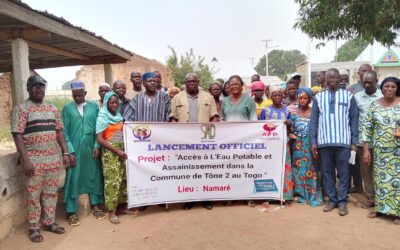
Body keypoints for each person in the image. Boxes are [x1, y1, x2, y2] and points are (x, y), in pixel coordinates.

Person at [11, 75, 72, 242]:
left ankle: (49, 222)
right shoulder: (21, 109)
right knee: (33, 195)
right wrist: (25, 160)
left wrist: (65, 153)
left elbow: (59, 131)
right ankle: (34, 227)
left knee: (51, 193)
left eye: (42, 86)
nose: (39, 89)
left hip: (53, 158)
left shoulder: (52, 108)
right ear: (29, 89)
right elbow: (17, 134)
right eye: (35, 86)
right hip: (34, 160)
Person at [311, 68, 358, 216]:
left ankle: (342, 201)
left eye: (334, 76)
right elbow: (314, 121)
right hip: (324, 142)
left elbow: (354, 120)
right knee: (327, 173)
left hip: (343, 142)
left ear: (339, 79)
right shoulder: (318, 98)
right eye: (329, 77)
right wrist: (313, 141)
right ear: (325, 79)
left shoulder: (349, 97)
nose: (332, 79)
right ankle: (332, 200)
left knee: (344, 173)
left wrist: (354, 142)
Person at [171, 73, 219, 210]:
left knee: (205, 169)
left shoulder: (208, 97)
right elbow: (173, 118)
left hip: (204, 140)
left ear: (198, 82)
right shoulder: (177, 97)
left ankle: (206, 199)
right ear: (185, 83)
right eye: (188, 81)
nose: (191, 83)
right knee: (188, 170)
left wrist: (211, 137)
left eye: (194, 81)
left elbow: (214, 118)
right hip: (185, 141)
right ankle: (189, 199)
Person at [62, 81, 105, 226]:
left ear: (85, 94)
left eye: (80, 95)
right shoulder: (67, 108)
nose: (77, 97)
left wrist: (97, 145)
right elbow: (64, 131)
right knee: (73, 177)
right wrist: (69, 151)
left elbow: (99, 127)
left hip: (91, 147)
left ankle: (95, 205)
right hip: (74, 148)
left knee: (93, 174)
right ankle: (71, 211)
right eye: (75, 95)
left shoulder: (94, 107)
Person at [361, 77, 400, 224]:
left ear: (397, 89)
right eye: (386, 86)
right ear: (381, 88)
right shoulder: (374, 105)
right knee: (381, 181)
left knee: (397, 182)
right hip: (380, 150)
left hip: (398, 151)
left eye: (393, 87)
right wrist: (366, 149)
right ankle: (381, 209)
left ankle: (398, 212)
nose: (389, 89)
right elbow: (367, 127)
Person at [96, 92, 128, 224]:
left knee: (122, 180)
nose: (114, 105)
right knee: (112, 183)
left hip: (122, 152)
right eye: (111, 102)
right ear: (106, 103)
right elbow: (100, 139)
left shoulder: (119, 117)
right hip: (110, 154)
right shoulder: (102, 118)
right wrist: (116, 151)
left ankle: (121, 208)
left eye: (116, 102)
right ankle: (111, 213)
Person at [290, 88, 323, 207]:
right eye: (300, 98)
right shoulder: (293, 113)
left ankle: (312, 194)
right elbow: (291, 129)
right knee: (298, 169)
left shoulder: (314, 112)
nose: (302, 100)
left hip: (310, 145)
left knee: (311, 169)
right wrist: (290, 133)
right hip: (297, 146)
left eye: (305, 98)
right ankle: (300, 195)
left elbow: (318, 129)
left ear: (309, 99)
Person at [260, 86, 293, 202]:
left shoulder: (287, 111)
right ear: (270, 97)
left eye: (279, 95)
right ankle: (267, 196)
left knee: (285, 167)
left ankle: (286, 195)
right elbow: (260, 128)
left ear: (283, 96)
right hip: (269, 145)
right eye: (274, 95)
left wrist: (289, 124)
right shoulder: (265, 110)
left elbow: (291, 128)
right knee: (268, 167)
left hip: (284, 144)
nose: (277, 97)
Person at [354, 70, 382, 209]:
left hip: (382, 142)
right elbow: (353, 119)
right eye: (364, 82)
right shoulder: (357, 97)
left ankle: (382, 199)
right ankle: (371, 198)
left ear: (376, 81)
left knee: (381, 171)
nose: (366, 85)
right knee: (366, 172)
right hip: (362, 142)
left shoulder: (384, 95)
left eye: (370, 82)